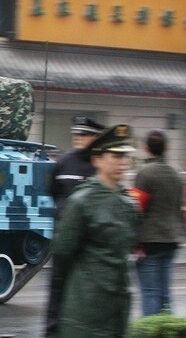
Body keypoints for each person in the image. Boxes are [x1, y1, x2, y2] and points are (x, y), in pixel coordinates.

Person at [51, 124, 142, 338]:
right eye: (115, 156)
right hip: (86, 308)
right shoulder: (81, 202)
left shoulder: (130, 204)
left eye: (125, 156)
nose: (122, 162)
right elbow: (62, 253)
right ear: (97, 160)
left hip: (118, 305)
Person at [45, 116, 104, 337]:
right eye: (77, 134)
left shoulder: (100, 165)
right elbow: (53, 192)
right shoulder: (64, 162)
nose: (78, 137)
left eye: (84, 134)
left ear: (96, 138)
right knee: (57, 290)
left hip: (88, 244)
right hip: (64, 239)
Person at [134, 130, 184, 316]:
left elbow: (137, 208)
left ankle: (150, 328)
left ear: (146, 148)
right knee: (165, 293)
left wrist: (135, 242)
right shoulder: (176, 173)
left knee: (149, 292)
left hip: (150, 241)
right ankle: (166, 328)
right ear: (167, 148)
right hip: (172, 239)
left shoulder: (145, 173)